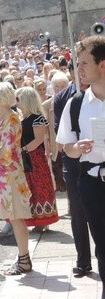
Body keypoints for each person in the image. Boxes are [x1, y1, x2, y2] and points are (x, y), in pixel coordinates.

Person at [56, 35, 105, 299]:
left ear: (103, 65)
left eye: (85, 63)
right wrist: (78, 147)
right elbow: (65, 146)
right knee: (104, 251)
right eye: (77, 63)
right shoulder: (75, 104)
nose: (79, 70)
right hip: (92, 183)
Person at [0, 82, 32, 275]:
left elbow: (8, 151)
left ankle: (24, 260)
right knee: (12, 217)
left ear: (2, 97)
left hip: (11, 174)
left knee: (17, 217)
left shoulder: (12, 118)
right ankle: (22, 258)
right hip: (2, 175)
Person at [54, 65, 92, 277]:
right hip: (74, 162)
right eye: (78, 69)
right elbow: (62, 132)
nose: (82, 73)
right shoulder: (65, 99)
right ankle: (83, 260)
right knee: (77, 212)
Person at [16, 86, 59, 229]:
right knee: (30, 188)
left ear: (27, 100)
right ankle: (35, 220)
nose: (17, 103)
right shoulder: (24, 118)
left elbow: (38, 139)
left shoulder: (37, 118)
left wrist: (22, 150)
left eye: (19, 99)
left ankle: (43, 221)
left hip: (35, 158)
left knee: (39, 186)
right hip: (26, 157)